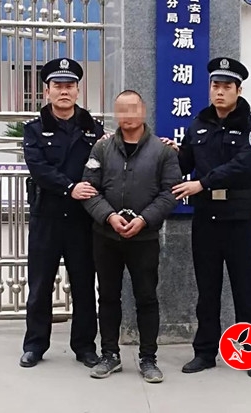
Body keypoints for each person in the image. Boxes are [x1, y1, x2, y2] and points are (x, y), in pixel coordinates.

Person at [164, 57, 251, 378]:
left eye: (226, 86)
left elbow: (244, 165)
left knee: (244, 290)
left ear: (239, 90)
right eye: (215, 86)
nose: (219, 92)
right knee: (207, 290)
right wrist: (173, 153)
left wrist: (203, 183)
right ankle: (205, 352)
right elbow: (186, 163)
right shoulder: (199, 123)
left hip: (238, 218)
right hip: (206, 219)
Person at [81, 90, 182, 383]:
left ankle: (148, 358)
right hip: (106, 236)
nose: (127, 115)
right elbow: (89, 189)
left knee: (146, 298)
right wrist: (109, 216)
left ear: (143, 110)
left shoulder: (163, 151)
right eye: (121, 110)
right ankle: (109, 355)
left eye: (133, 108)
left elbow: (170, 193)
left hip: (144, 238)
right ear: (116, 114)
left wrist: (144, 219)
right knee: (108, 297)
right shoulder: (101, 148)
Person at [20, 58, 105, 369]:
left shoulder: (93, 129)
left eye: (70, 86)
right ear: (47, 91)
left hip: (82, 219)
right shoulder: (34, 129)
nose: (64, 91)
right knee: (40, 284)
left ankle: (84, 346)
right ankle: (34, 345)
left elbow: (103, 164)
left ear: (78, 91)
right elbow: (38, 168)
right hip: (48, 215)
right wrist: (70, 187)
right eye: (58, 86)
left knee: (84, 284)